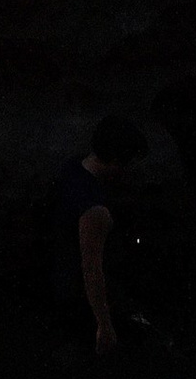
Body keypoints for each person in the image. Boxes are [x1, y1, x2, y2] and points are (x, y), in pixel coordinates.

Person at [45, 113, 150, 355]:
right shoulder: (94, 210)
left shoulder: (73, 167)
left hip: (60, 276)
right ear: (116, 160)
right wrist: (104, 324)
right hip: (77, 294)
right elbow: (92, 269)